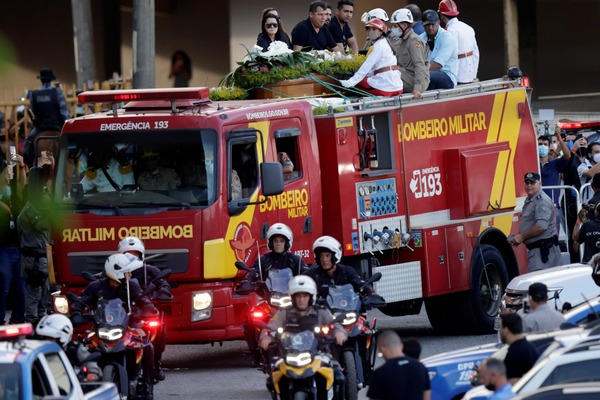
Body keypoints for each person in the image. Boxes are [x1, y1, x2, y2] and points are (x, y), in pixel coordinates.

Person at [258, 275, 346, 394]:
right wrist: (266, 338)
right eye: (298, 296)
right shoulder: (284, 313)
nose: (301, 299)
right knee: (273, 379)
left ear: (311, 297)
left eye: (305, 296)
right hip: (289, 356)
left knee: (338, 376)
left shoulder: (321, 312)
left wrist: (339, 333)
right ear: (292, 297)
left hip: (318, 355)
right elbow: (270, 327)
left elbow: (335, 325)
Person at [118, 236, 171, 381]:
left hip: (145, 312)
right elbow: (101, 284)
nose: (131, 256)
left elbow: (163, 283)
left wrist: (163, 291)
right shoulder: (114, 270)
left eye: (135, 253)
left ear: (141, 255)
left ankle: (155, 364)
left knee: (160, 329)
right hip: (121, 312)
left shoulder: (150, 270)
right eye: (128, 253)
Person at [17, 167, 51, 325]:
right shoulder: (30, 209)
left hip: (42, 257)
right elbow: (43, 225)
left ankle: (41, 320)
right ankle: (32, 322)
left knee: (44, 292)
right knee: (34, 291)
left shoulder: (36, 207)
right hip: (35, 258)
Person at [509, 172, 561, 272]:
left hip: (544, 254)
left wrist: (522, 236)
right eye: (527, 183)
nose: (529, 185)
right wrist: (518, 237)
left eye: (532, 183)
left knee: (542, 283)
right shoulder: (531, 199)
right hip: (538, 253)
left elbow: (541, 227)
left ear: (539, 184)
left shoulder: (541, 201)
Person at [339, 18, 403, 97]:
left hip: (384, 88)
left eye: (374, 29)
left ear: (380, 31)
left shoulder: (378, 46)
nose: (370, 32)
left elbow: (366, 68)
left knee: (355, 83)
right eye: (368, 29)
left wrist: (350, 82)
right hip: (397, 86)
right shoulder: (386, 42)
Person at [0, 147, 26, 325]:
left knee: (21, 289)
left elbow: (22, 188)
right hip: (4, 249)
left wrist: (22, 166)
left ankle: (19, 318)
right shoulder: (2, 196)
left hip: (20, 247)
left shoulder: (16, 197)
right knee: (3, 288)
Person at [23, 68, 70, 167]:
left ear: (41, 79)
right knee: (73, 149)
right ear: (51, 80)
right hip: (57, 126)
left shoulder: (33, 94)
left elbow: (32, 109)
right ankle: (74, 172)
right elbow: (64, 113)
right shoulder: (57, 93)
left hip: (40, 127)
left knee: (27, 146)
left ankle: (31, 167)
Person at [366, 330, 431, 400]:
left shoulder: (379, 373)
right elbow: (426, 396)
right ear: (401, 345)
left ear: (382, 348)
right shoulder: (420, 367)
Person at [304, 235, 373, 300]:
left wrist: (367, 290)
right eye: (321, 256)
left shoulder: (346, 272)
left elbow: (360, 284)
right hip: (322, 310)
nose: (324, 259)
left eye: (327, 256)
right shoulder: (312, 275)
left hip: (346, 308)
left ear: (335, 256)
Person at [389, 8, 430, 99]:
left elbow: (419, 65)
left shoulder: (413, 41)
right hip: (407, 76)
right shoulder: (403, 40)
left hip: (414, 80)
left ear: (404, 25)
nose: (393, 29)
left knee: (388, 73)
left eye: (395, 26)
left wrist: (417, 88)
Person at [438, 0, 479, 84]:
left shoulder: (449, 31)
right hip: (470, 73)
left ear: (441, 15)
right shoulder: (468, 27)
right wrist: (474, 73)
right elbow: (476, 53)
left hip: (457, 74)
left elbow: (448, 56)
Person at [420, 9, 458, 90]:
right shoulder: (421, 38)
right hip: (427, 73)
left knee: (427, 77)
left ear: (438, 22)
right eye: (427, 25)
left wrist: (419, 74)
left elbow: (437, 65)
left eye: (433, 24)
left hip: (446, 76)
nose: (430, 28)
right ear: (422, 25)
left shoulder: (447, 38)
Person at [499, 313, 539, 385]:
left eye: (501, 328)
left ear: (506, 330)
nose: (500, 331)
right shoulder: (530, 347)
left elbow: (513, 384)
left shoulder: (514, 353)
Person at [538, 128, 571, 207]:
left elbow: (567, 156)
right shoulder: (532, 163)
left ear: (549, 148)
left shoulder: (555, 163)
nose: (542, 146)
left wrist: (559, 137)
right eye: (540, 144)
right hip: (536, 206)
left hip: (552, 205)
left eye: (545, 144)